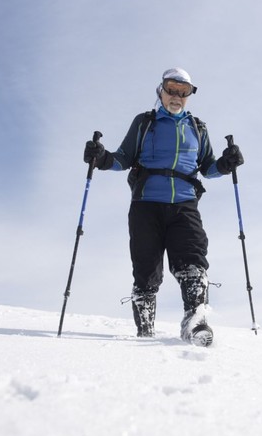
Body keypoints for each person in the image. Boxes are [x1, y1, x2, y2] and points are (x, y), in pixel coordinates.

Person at [83, 67, 244, 346]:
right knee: (146, 271)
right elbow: (123, 157)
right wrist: (103, 158)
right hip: (146, 204)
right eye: (172, 89)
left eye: (185, 92)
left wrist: (226, 164)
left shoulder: (198, 128)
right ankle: (145, 330)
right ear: (161, 90)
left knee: (193, 262)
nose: (177, 96)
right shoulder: (145, 123)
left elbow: (208, 167)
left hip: (184, 204)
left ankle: (195, 323)